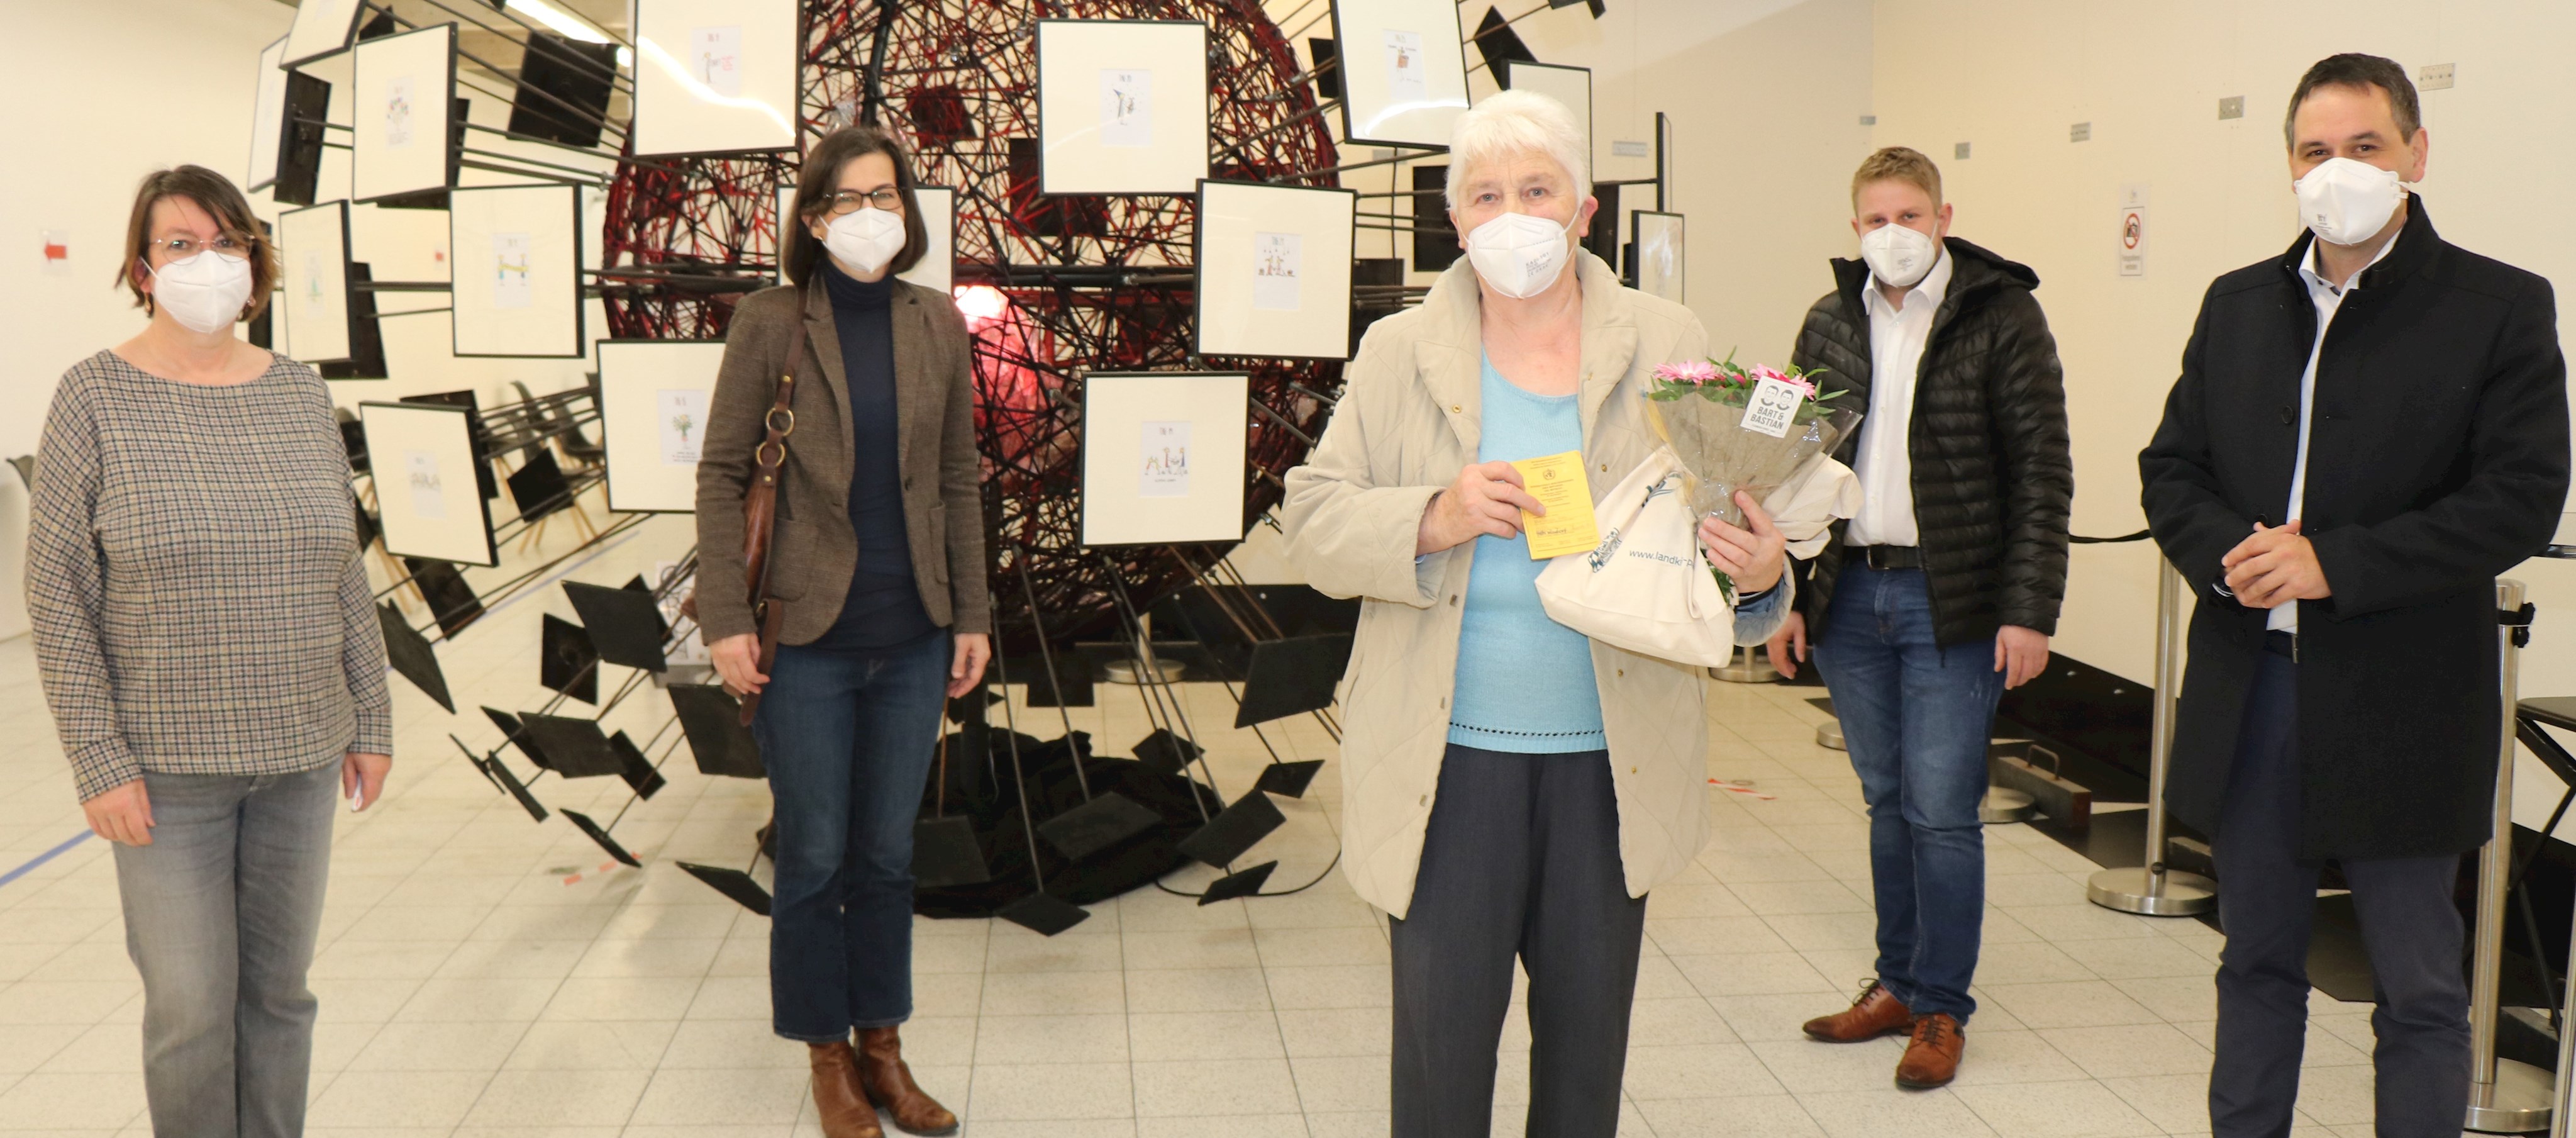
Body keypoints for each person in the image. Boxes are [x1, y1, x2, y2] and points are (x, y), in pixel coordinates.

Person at [1281, 89, 1796, 1138]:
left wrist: (1759, 573)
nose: (1512, 214)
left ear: (1584, 210)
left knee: (1584, 1060)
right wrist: (1435, 514)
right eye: (1486, 194)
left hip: (1614, 762)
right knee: (1441, 1060)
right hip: (1443, 762)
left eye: (1536, 189)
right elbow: (1312, 522)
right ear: (1456, 219)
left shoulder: (1670, 340)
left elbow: (1727, 545)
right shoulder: (1396, 350)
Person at [2139, 54, 2568, 1136]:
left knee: (2420, 986)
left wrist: (2340, 562)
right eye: (2315, 151)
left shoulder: (2498, 306)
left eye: (2365, 147)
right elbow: (2170, 466)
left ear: (2417, 155)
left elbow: (2519, 497)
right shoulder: (2238, 303)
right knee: (2257, 962)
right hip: (2256, 692)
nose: (2339, 171)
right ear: (2288, 165)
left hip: (2406, 695)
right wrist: (2230, 551)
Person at [26, 165, 394, 1138]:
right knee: (190, 1011)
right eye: (180, 245)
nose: (206, 263)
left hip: (300, 756)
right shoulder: (92, 397)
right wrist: (98, 760)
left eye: (227, 242)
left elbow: (342, 567)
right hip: (164, 771)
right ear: (142, 269)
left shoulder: (300, 394)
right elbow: (57, 590)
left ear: (256, 265)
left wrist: (372, 716)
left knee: (280, 998)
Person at [695, 123, 987, 1138]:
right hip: (806, 638)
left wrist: (970, 615)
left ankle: (885, 1047)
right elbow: (722, 471)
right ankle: (826, 1054)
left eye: (887, 196)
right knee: (813, 855)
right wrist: (726, 620)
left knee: (888, 856)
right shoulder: (771, 321)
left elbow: (956, 478)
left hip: (912, 634)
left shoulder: (935, 321)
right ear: (814, 221)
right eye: (849, 201)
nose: (873, 215)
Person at [1770, 146, 2072, 1089]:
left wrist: (2029, 610)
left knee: (1941, 809)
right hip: (1850, 592)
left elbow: (2041, 469)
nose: (1891, 235)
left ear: (1944, 216)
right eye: (1873, 220)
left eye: (1909, 215)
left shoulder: (2003, 315)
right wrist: (1782, 590)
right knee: (1884, 798)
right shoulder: (1828, 321)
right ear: (1853, 227)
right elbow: (1782, 463)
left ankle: (1942, 1006)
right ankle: (1896, 981)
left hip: (1958, 601)